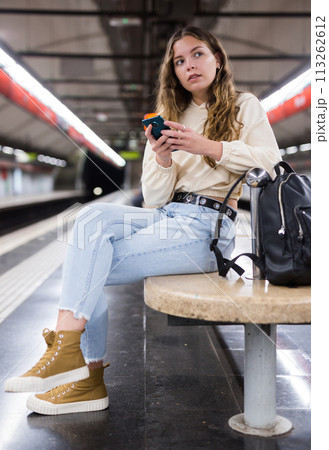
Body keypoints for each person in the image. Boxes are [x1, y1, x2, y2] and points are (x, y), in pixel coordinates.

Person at [4, 26, 281, 415]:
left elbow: (271, 163)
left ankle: (85, 375)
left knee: (86, 263)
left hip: (208, 229)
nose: (190, 65)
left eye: (198, 54)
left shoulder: (244, 105)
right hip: (167, 215)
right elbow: (153, 198)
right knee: (91, 220)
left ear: (217, 58)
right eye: (180, 61)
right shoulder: (170, 116)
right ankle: (75, 360)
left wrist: (208, 147)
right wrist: (163, 158)